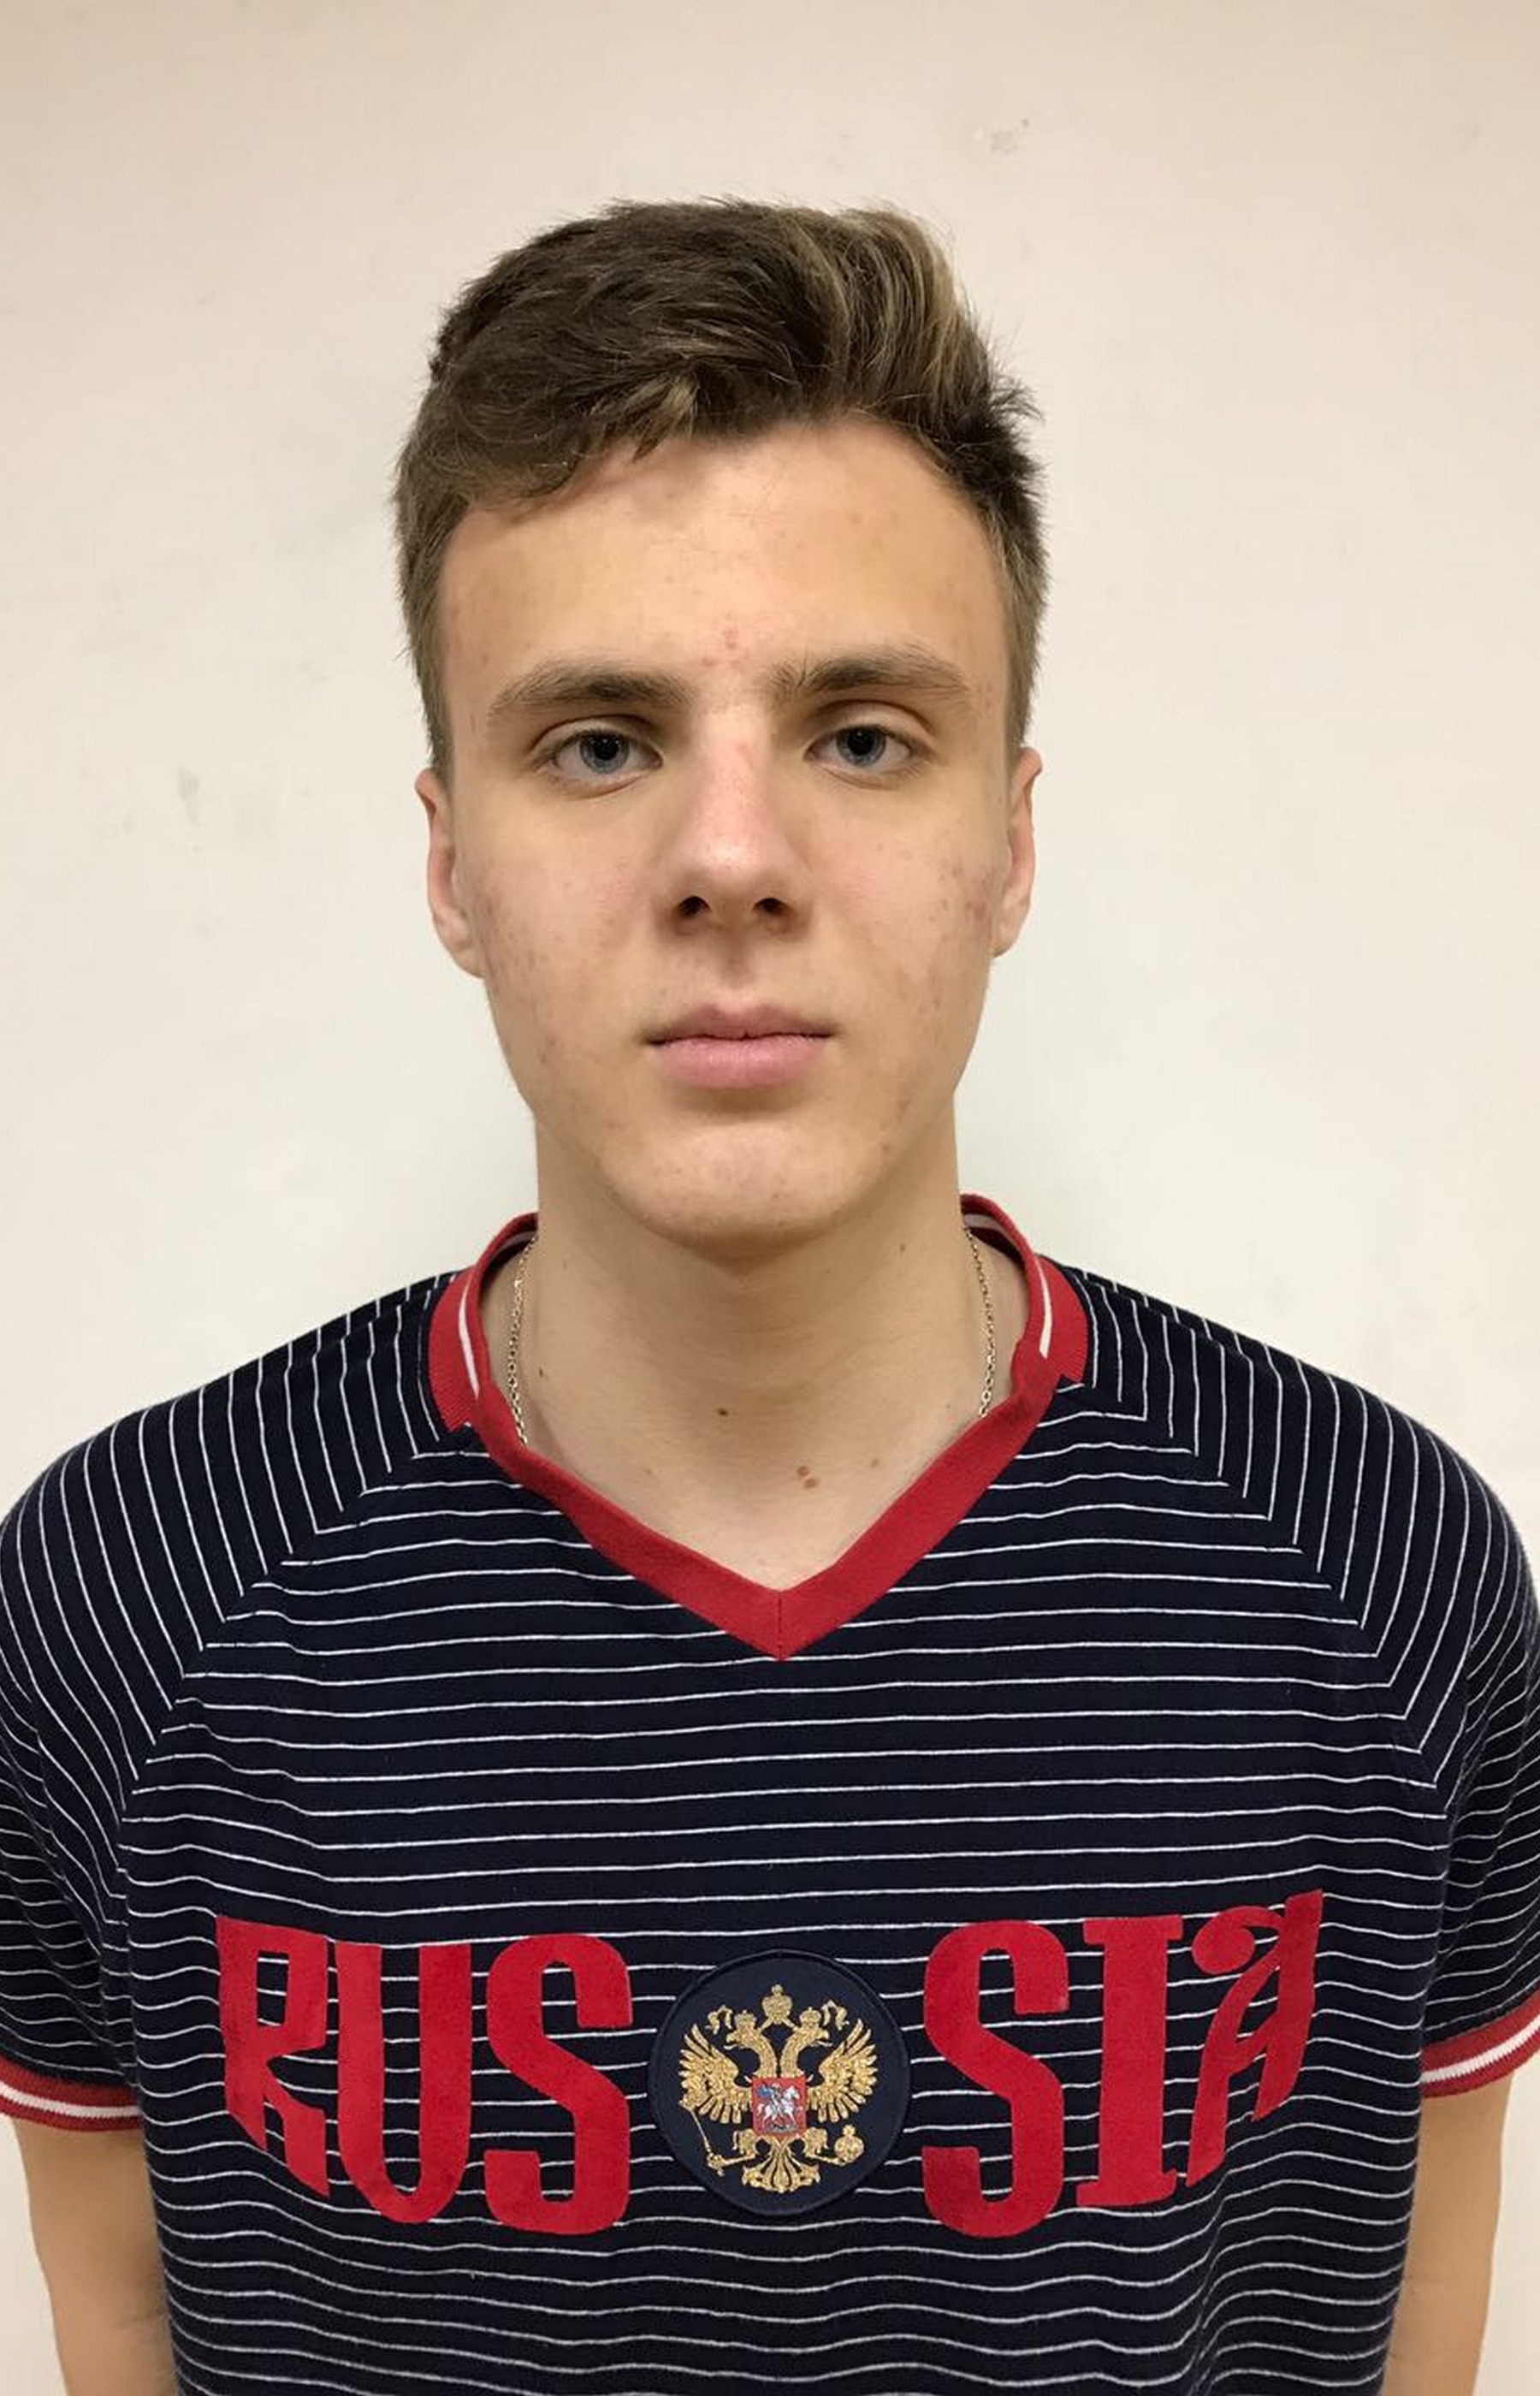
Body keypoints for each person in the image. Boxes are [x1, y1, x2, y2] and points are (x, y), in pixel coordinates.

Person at [3, 196, 1536, 2396]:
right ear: (451, 856)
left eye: (863, 733)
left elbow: (1412, 2317)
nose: (731, 856)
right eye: (599, 740)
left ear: (1012, 840)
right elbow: (130, 2309)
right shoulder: (120, 1592)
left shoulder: (1379, 1572)